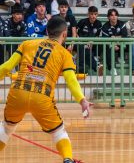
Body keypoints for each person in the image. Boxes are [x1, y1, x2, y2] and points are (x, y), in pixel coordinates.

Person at [0, 16, 92, 163]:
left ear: (47, 31)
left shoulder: (27, 44)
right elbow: (71, 80)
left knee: (6, 128)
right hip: (42, 96)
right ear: (64, 34)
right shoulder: (65, 54)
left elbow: (6, 67)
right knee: (58, 132)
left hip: (18, 92)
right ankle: (68, 159)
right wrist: (82, 100)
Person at [101, 8, 127, 76]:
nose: (114, 17)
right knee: (108, 47)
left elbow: (124, 36)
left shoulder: (122, 24)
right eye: (112, 15)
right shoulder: (105, 26)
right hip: (110, 45)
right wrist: (113, 44)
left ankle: (120, 56)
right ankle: (112, 68)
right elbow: (105, 39)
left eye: (115, 15)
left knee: (128, 43)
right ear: (108, 17)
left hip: (120, 43)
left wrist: (115, 38)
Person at [76, 6, 102, 74]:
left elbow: (97, 36)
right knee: (84, 49)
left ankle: (81, 70)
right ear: (88, 14)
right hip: (79, 43)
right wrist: (82, 42)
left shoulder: (99, 23)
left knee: (87, 51)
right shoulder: (82, 22)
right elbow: (75, 33)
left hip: (91, 45)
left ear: (97, 14)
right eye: (91, 14)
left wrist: (92, 42)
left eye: (95, 14)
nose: (93, 16)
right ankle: (96, 67)